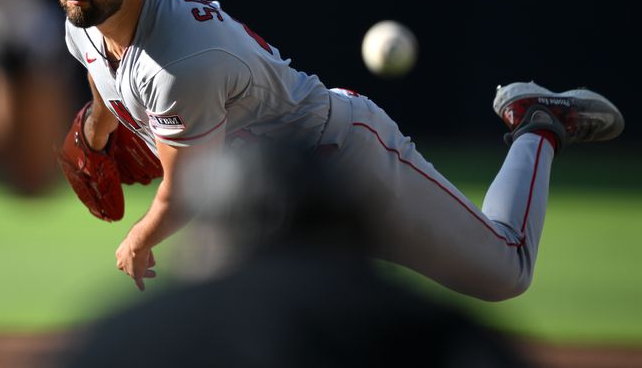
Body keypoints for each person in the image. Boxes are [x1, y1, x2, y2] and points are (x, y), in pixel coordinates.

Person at [32, 0, 625, 300]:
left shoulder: (182, 62)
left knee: (506, 272)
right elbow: (101, 72)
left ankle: (538, 122)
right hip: (264, 200)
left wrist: (139, 239)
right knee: (243, 327)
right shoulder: (81, 16)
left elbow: (183, 192)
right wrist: (97, 130)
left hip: (343, 163)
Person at [56, 143, 533, 368]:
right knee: (506, 271)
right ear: (346, 232)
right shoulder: (435, 336)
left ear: (208, 240)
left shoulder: (114, 341)